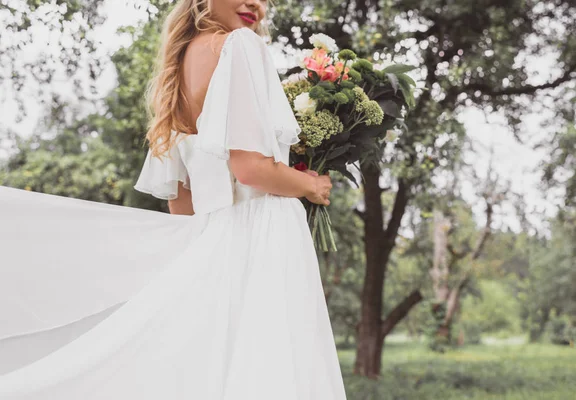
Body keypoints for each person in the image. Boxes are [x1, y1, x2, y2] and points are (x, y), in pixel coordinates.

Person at [0, 0, 348, 398]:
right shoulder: (240, 46)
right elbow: (251, 169)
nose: (255, 4)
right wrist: (311, 185)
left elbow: (182, 204)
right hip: (265, 238)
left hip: (213, 240)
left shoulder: (181, 64)